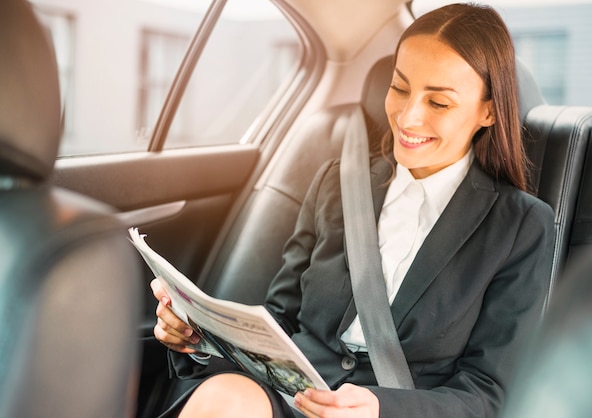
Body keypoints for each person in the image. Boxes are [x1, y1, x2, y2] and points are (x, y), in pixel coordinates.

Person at [151, 3, 555, 417]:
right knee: (226, 398)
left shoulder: (522, 227)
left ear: (488, 110)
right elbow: (281, 322)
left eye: (439, 103)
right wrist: (197, 340)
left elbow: (488, 395)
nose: (408, 116)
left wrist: (381, 408)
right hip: (295, 399)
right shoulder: (337, 183)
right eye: (400, 89)